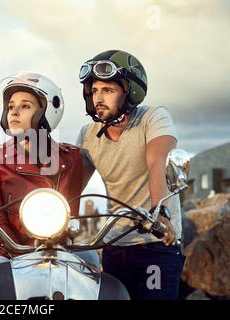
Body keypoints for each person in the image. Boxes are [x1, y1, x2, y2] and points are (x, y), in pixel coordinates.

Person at [76, 50, 185, 299]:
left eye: (108, 90)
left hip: (156, 242)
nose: (98, 98)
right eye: (94, 91)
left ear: (129, 91)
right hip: (114, 245)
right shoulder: (87, 134)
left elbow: (158, 162)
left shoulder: (153, 117)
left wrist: (161, 214)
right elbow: (72, 186)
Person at [0, 72, 84, 285]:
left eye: (25, 106)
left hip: (55, 251)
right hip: (3, 253)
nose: (13, 111)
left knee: (90, 270)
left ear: (46, 113)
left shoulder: (72, 158)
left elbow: (70, 215)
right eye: (10, 106)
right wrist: (24, 257)